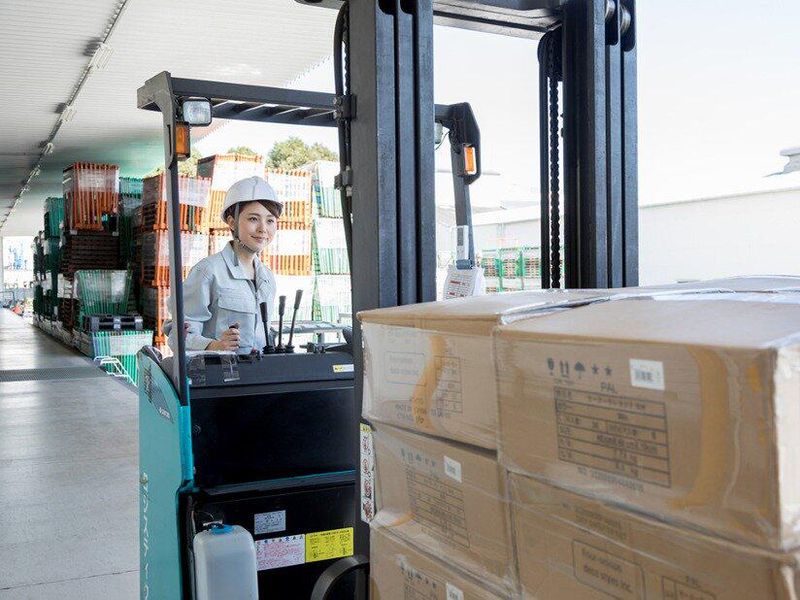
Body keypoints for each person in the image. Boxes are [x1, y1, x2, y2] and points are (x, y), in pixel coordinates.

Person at [167, 176, 281, 355]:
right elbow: (178, 336)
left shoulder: (267, 277)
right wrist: (214, 346)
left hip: (257, 371)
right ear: (232, 222)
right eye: (253, 219)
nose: (263, 229)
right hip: (217, 371)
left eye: (270, 220)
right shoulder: (208, 271)